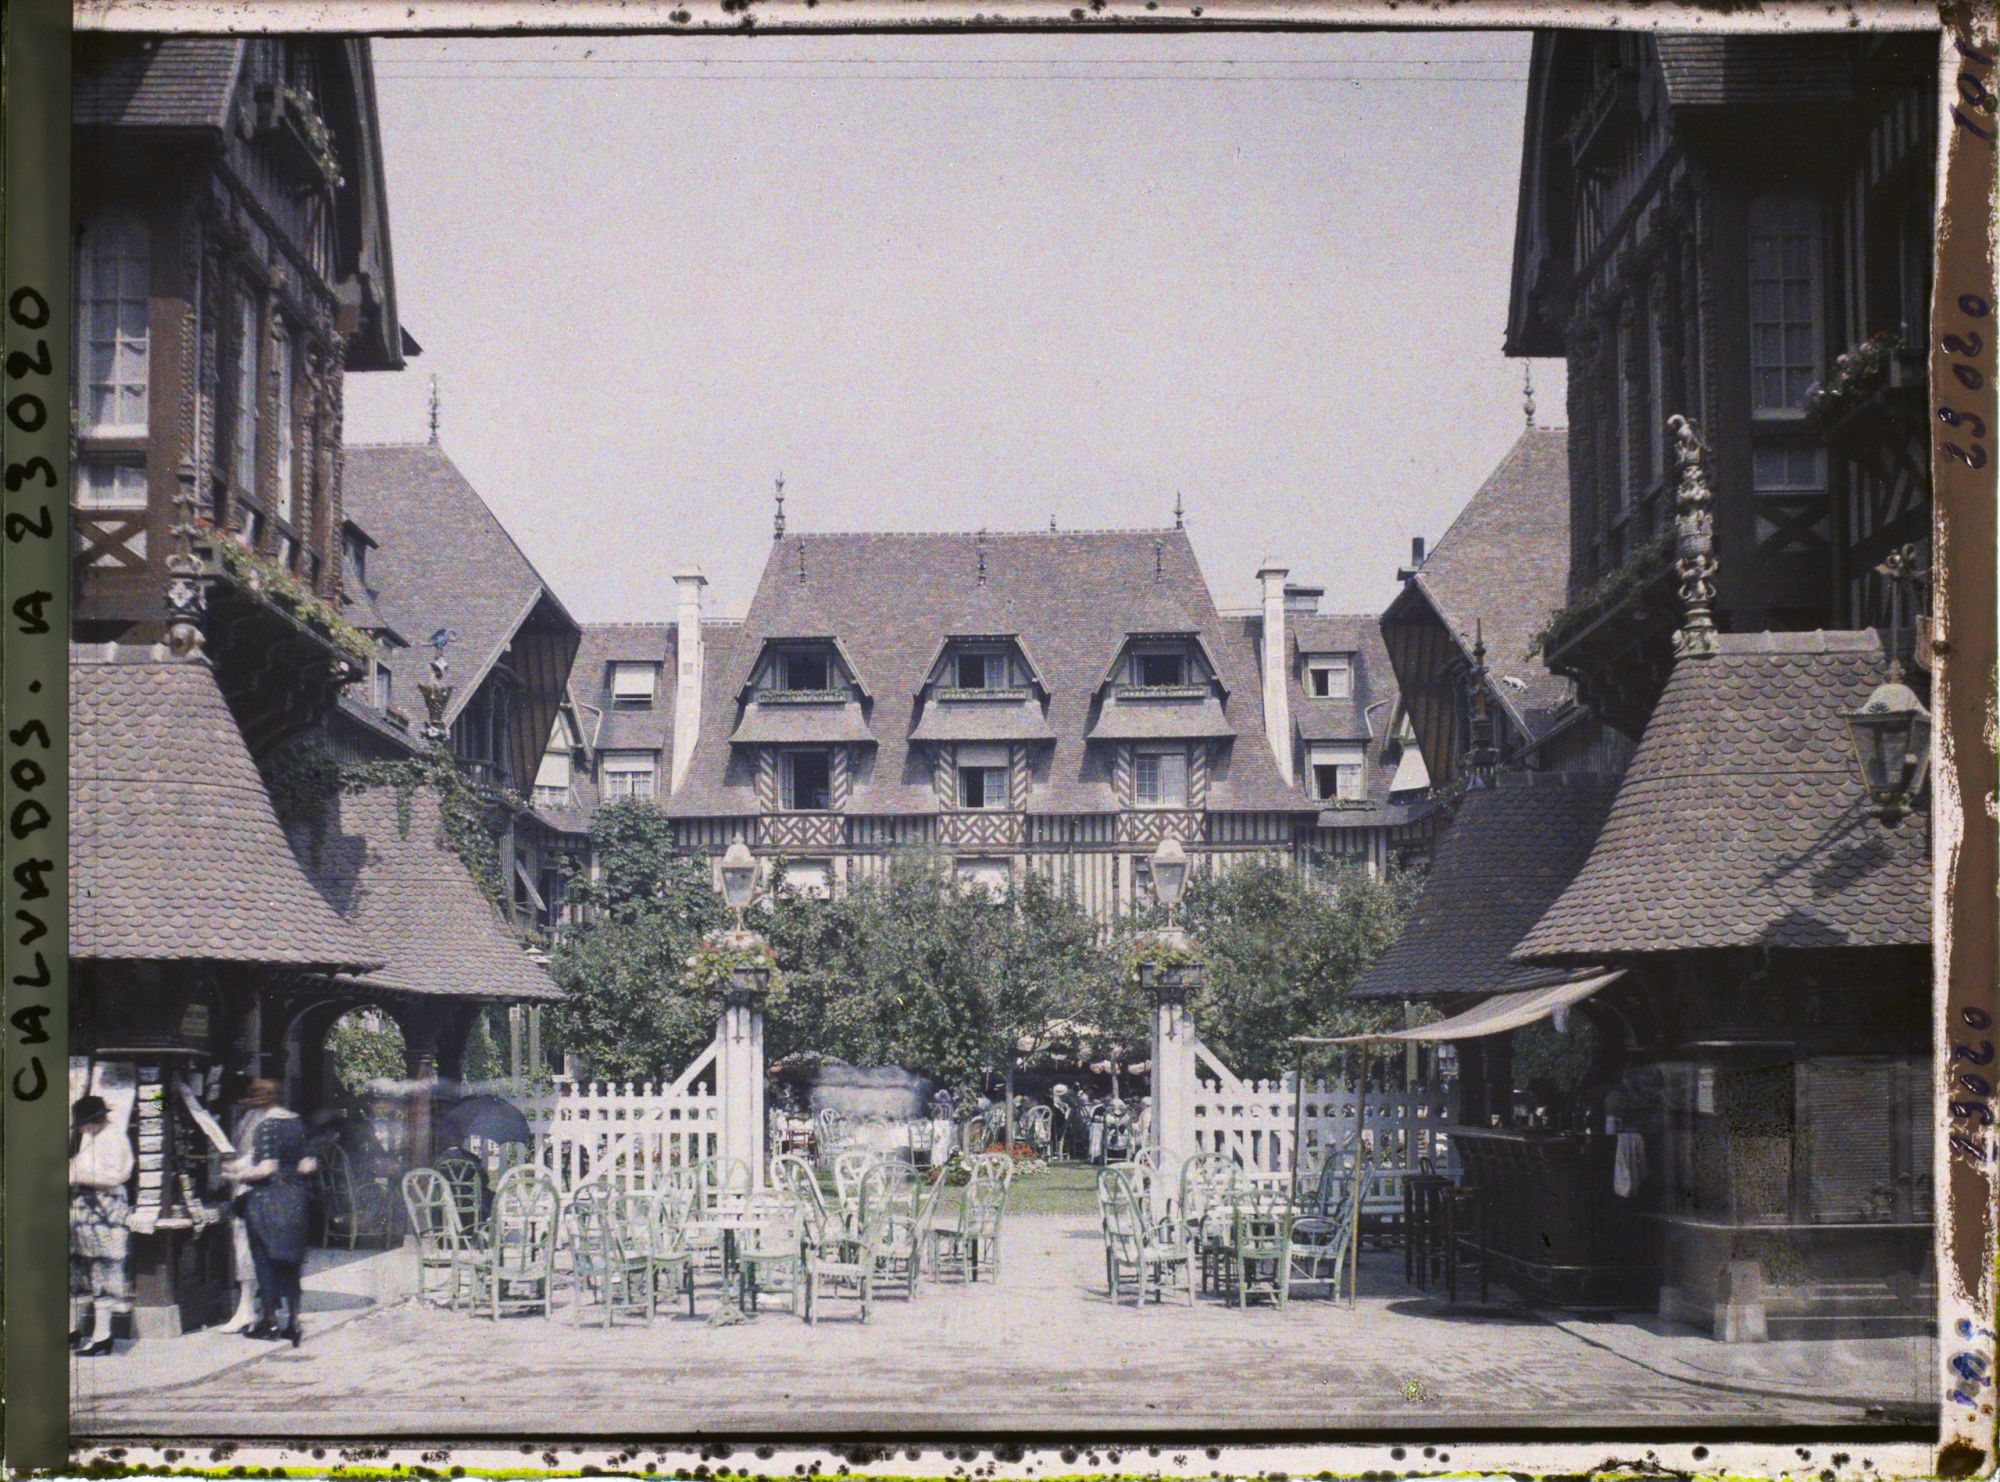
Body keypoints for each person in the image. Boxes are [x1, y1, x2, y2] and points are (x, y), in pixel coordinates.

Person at [229, 1080, 318, 1345]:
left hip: (268, 1199)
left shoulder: (266, 1126)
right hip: (296, 1199)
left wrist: (239, 1173)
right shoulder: (298, 1124)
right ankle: (293, 1322)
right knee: (290, 1262)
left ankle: (269, 1322)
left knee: (265, 1260)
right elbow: (308, 1165)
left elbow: (266, 1168)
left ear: (260, 1101)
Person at [69, 1093, 136, 1357]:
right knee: (79, 1271)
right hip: (85, 1212)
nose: (82, 1129)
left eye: (84, 1123)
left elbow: (116, 1176)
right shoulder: (92, 1136)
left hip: (105, 1213)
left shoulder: (114, 1138)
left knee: (102, 1270)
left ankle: (102, 1335)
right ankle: (73, 1330)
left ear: (94, 1120)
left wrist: (76, 1175)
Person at [219, 1082, 277, 1332]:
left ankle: (251, 1311)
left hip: (256, 1192)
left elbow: (259, 1159)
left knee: (250, 1250)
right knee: (245, 1250)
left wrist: (234, 1170)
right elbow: (160, 1106)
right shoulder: (249, 1116)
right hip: (243, 1191)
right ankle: (252, 1310)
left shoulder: (267, 1121)